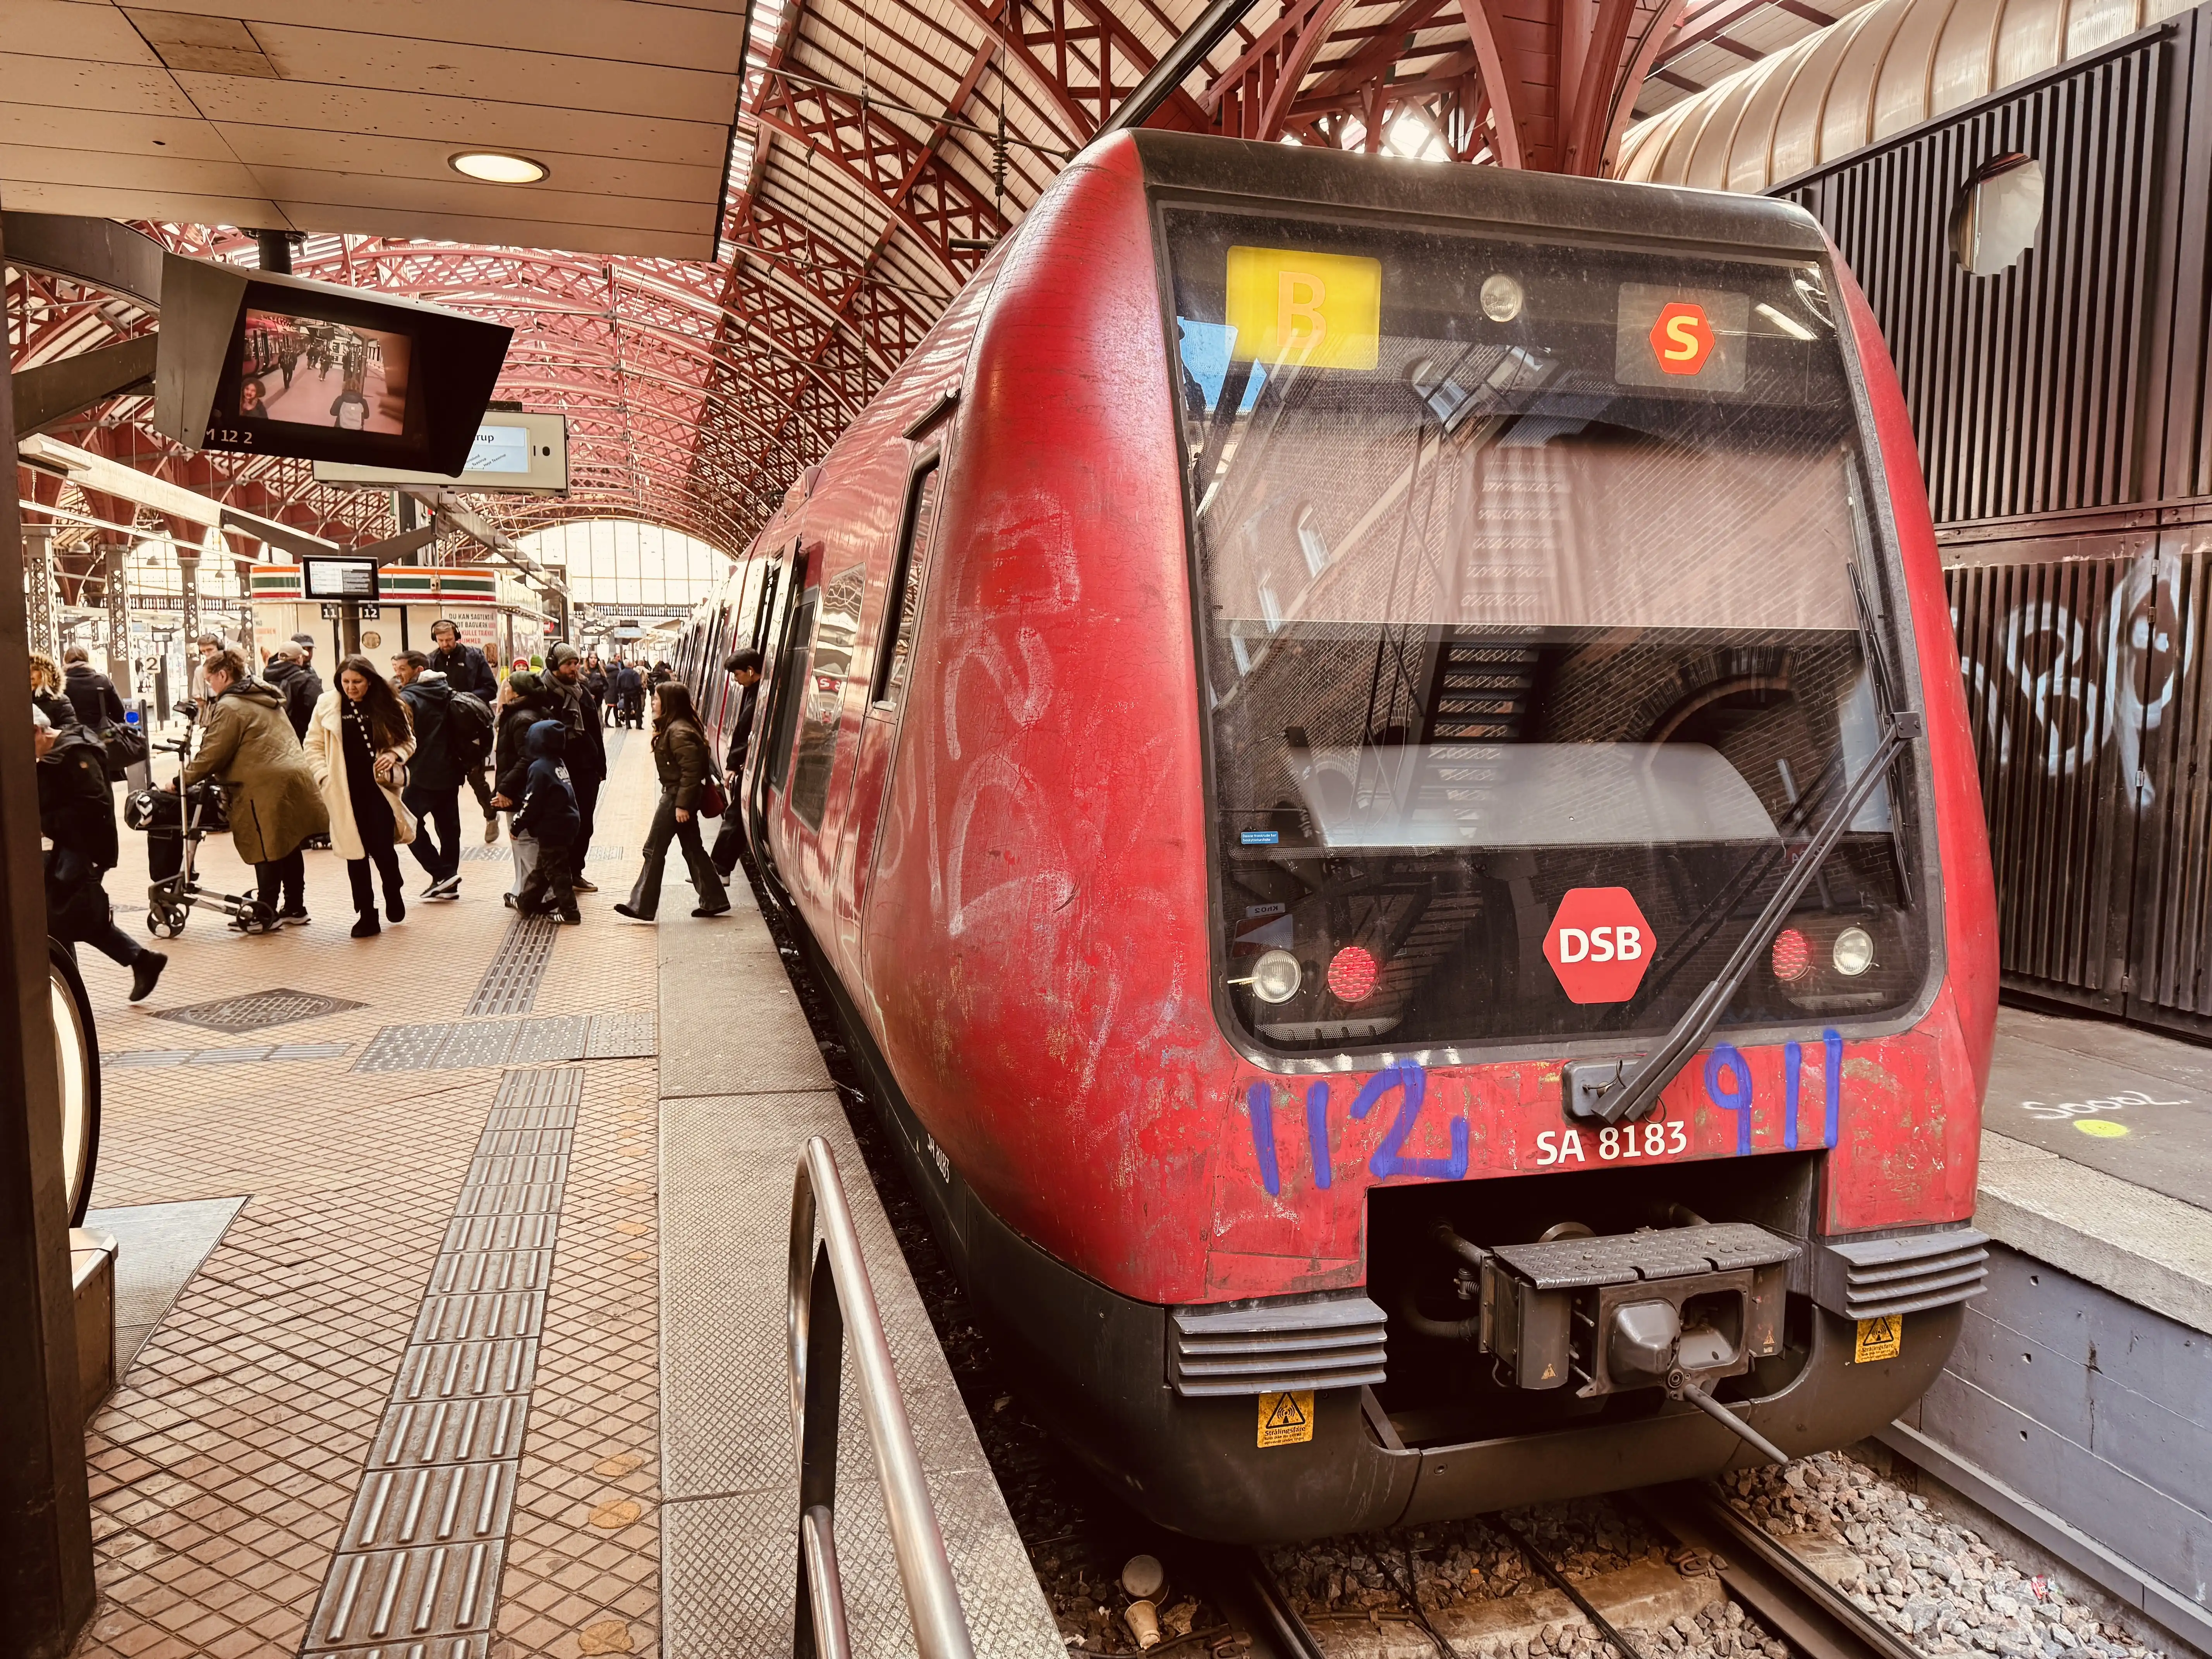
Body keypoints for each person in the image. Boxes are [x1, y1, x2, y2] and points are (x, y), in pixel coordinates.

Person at [179, 647, 327, 928]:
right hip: (294, 777)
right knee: (288, 843)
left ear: (224, 675)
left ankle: (264, 913)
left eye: (211, 679)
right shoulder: (266, 697)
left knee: (265, 845)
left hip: (262, 785)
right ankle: (295, 907)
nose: (210, 686)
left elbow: (213, 753)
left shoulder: (230, 706)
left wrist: (180, 781)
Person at [39, 707, 166, 1000]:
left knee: (60, 916)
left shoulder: (72, 754)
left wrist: (44, 820)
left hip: (79, 849)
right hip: (71, 848)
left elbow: (92, 808)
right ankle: (141, 960)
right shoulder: (62, 751)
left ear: (38, 732)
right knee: (68, 915)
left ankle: (68, 988)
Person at [305, 654, 416, 938]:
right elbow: (314, 745)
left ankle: (393, 889)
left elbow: (408, 740)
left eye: (357, 682)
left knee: (382, 849)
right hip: (343, 790)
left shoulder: (389, 704)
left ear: (370, 681)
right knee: (355, 854)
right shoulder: (327, 705)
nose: (351, 688)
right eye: (346, 682)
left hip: (378, 790)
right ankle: (367, 914)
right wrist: (324, 776)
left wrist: (394, 754)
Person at [615, 683, 730, 922]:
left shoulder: (679, 732)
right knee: (693, 849)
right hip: (679, 795)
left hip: (676, 797)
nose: (653, 703)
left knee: (653, 849)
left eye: (656, 699)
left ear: (669, 703)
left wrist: (682, 806)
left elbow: (691, 772)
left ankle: (642, 906)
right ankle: (714, 900)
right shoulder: (678, 728)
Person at [392, 650, 463, 899]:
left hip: (423, 772)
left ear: (419, 670)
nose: (397, 673)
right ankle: (448, 881)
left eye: (402, 669)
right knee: (449, 828)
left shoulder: (409, 698)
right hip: (451, 770)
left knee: (406, 824)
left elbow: (399, 735)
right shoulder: (446, 690)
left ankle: (442, 873)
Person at [426, 620, 500, 842]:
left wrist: (464, 700)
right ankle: (448, 833)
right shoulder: (431, 660)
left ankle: (490, 815)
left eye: (449, 639)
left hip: (470, 728)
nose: (446, 644)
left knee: (477, 778)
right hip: (443, 731)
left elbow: (490, 688)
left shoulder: (474, 657)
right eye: (441, 641)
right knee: (445, 783)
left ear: (457, 635)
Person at [543, 644, 606, 890]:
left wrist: (600, 765)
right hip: (558, 770)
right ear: (554, 666)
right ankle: (558, 877)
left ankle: (575, 872)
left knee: (585, 823)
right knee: (561, 824)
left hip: (585, 769)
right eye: (568, 664)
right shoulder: (545, 693)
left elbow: (595, 731)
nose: (573, 668)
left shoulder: (582, 691)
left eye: (575, 663)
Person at [491, 670, 555, 904]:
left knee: (525, 840)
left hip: (522, 790)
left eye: (506, 687)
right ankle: (523, 890)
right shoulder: (529, 714)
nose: (503, 691)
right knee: (521, 840)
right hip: (524, 787)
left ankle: (544, 894)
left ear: (516, 692)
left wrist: (506, 789)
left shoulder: (522, 718)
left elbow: (526, 759)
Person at [510, 719, 582, 924]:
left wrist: (518, 824)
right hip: (566, 822)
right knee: (543, 868)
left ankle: (570, 911)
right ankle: (526, 902)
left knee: (557, 871)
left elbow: (532, 801)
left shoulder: (539, 768)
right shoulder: (557, 762)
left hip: (553, 827)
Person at [709, 647, 763, 879]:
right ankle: (720, 868)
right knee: (736, 814)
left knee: (736, 815)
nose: (736, 681)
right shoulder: (754, 691)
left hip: (751, 766)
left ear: (751, 671)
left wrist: (732, 765)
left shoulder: (759, 695)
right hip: (749, 766)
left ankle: (720, 869)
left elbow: (745, 730)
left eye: (737, 675)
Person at [262, 641, 322, 739]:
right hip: (302, 737)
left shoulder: (266, 678)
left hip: (276, 736)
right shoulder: (306, 680)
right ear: (299, 660)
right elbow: (318, 708)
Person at [62, 645, 127, 730]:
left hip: (73, 737)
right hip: (102, 736)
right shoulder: (103, 681)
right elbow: (119, 713)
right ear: (87, 660)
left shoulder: (61, 685)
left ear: (66, 662)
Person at [28, 651, 74, 728]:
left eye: (36, 669)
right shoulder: (19, 700)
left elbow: (71, 727)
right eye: (28, 669)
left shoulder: (59, 701)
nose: (31, 673)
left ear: (46, 673)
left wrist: (50, 734)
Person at [614, 660, 644, 729]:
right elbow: (638, 684)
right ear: (630, 665)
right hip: (635, 693)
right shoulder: (634, 673)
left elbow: (618, 685)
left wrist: (621, 692)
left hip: (626, 694)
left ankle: (628, 725)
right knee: (637, 709)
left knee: (627, 709)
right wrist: (640, 691)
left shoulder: (621, 673)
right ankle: (639, 725)